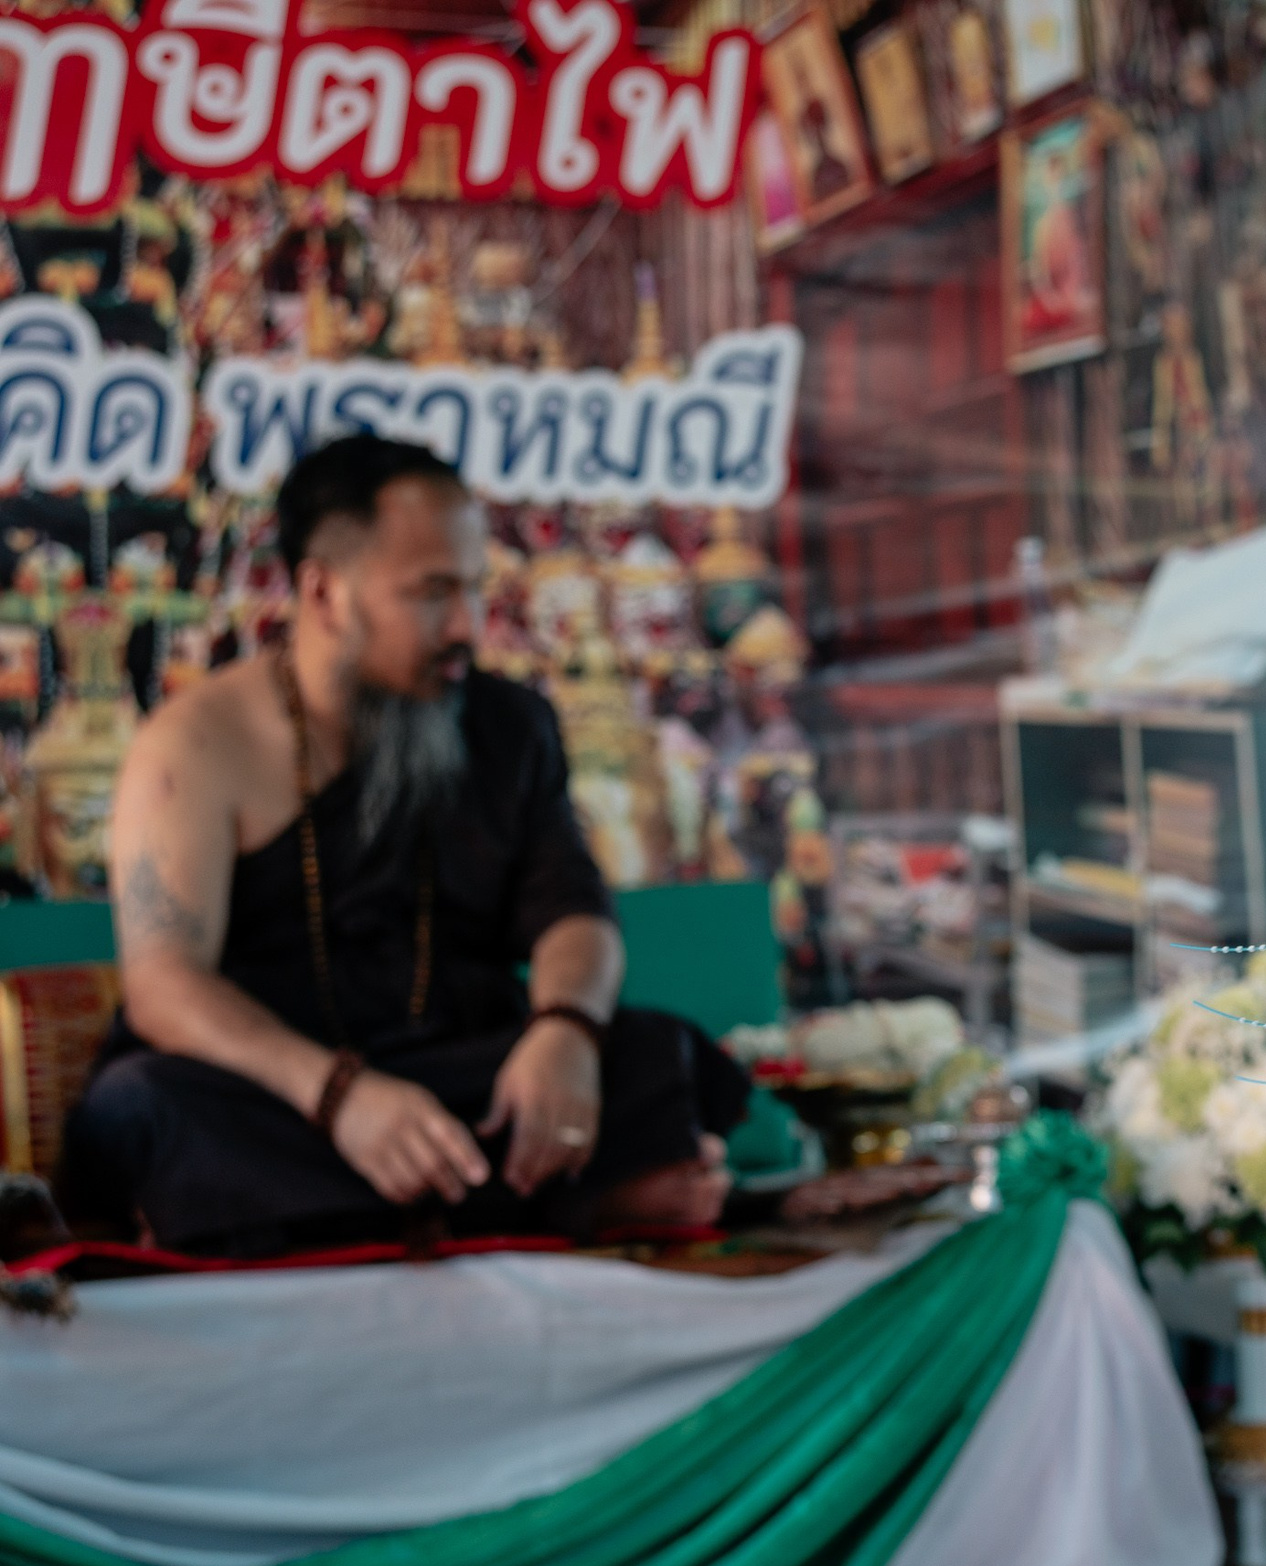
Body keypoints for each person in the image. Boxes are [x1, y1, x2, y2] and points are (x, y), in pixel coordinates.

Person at [60, 437, 944, 1258]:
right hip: (283, 1095)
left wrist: (563, 1032)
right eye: (432, 592)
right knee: (141, 1110)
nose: (466, 627)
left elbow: (575, 914)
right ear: (323, 590)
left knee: (646, 1051)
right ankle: (578, 1208)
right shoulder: (196, 745)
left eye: (475, 589)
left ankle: (417, 1215)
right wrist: (341, 1098)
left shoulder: (504, 723)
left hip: (465, 1084)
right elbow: (166, 987)